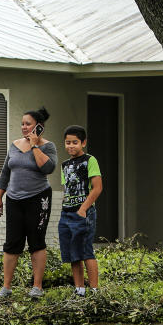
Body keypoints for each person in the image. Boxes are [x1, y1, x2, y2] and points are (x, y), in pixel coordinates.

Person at [0, 106, 57, 298]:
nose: (23, 127)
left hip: (38, 198)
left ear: (38, 127)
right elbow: (5, 172)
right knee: (12, 243)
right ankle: (6, 287)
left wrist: (35, 144)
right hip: (14, 199)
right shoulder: (14, 145)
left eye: (27, 124)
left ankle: (37, 287)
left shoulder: (48, 146)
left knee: (36, 242)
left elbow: (48, 168)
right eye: (22, 124)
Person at [58, 125, 103, 296]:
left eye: (75, 142)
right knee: (71, 252)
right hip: (67, 213)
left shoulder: (90, 160)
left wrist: (83, 209)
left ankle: (94, 290)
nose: (70, 146)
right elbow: (67, 189)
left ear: (83, 143)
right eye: (67, 142)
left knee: (85, 251)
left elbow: (97, 188)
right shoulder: (65, 165)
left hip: (84, 212)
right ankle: (79, 290)